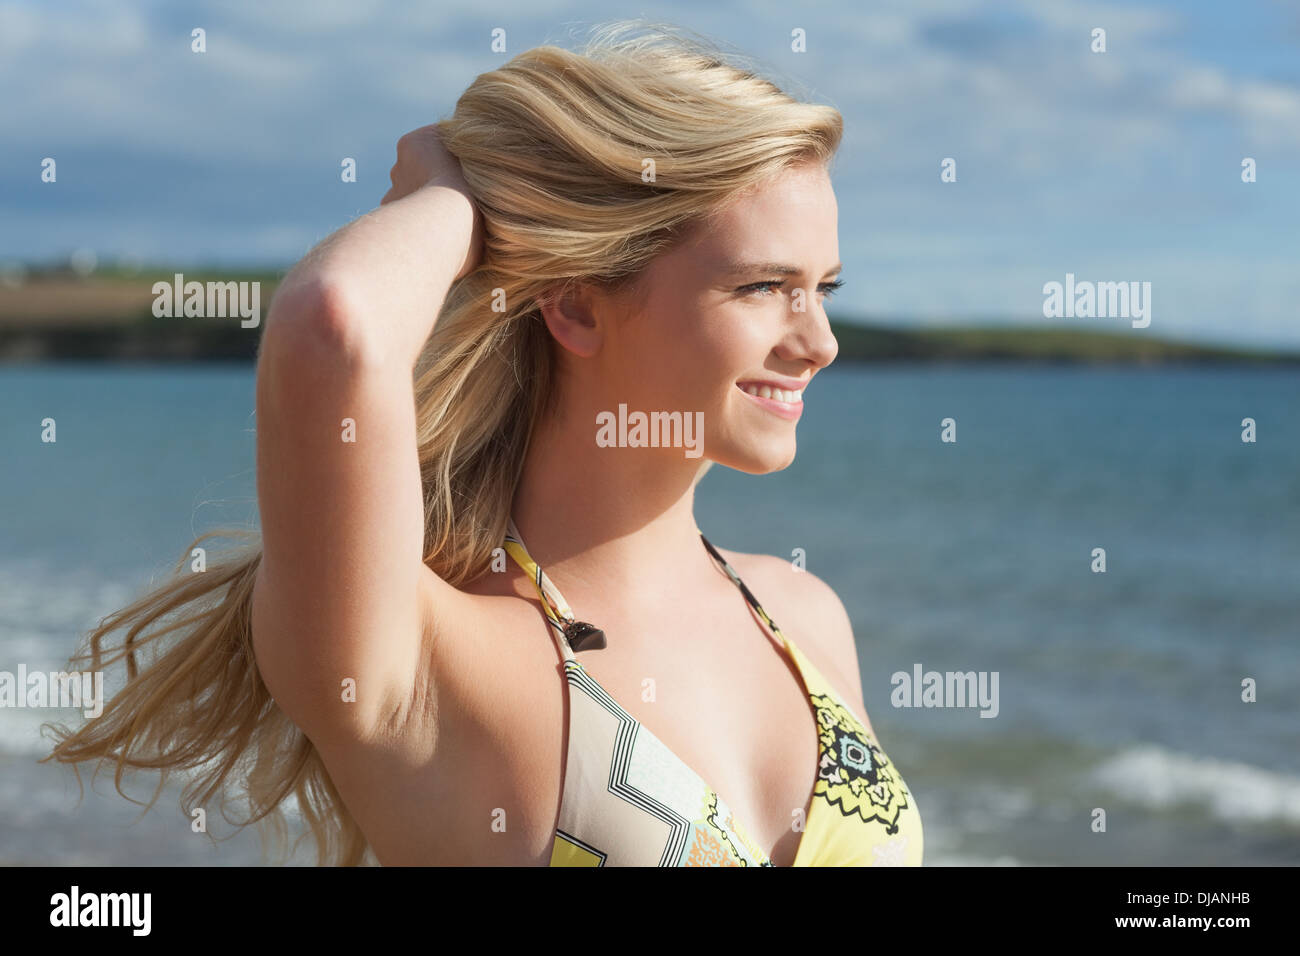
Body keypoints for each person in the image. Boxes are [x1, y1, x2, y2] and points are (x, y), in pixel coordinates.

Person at [44, 20, 922, 867]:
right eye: (764, 286)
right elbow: (335, 324)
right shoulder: (422, 659)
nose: (818, 342)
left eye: (824, 290)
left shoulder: (803, 617)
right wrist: (446, 192)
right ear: (576, 305)